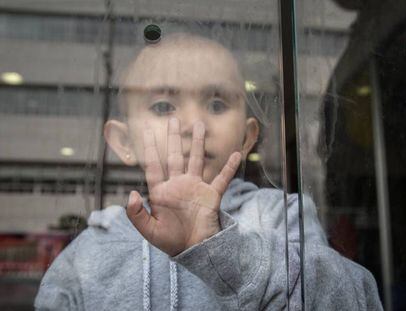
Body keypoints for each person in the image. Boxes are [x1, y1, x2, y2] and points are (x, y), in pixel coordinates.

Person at [34, 33, 382, 310]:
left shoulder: (281, 216)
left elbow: (353, 299)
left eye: (216, 104)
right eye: (163, 106)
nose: (193, 124)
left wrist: (223, 249)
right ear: (124, 142)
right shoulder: (95, 247)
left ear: (246, 138)